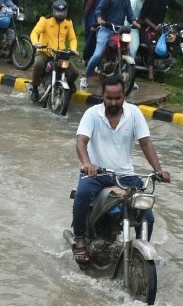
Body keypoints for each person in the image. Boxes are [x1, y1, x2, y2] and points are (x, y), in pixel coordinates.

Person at [70, 76, 170, 263]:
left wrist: (158, 170)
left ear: (124, 95)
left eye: (118, 98)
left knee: (147, 215)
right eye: (110, 98)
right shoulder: (92, 114)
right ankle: (80, 238)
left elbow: (146, 143)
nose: (114, 102)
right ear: (102, 96)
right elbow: (81, 142)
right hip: (97, 174)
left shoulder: (134, 113)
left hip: (126, 175)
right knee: (82, 195)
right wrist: (87, 163)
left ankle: (141, 253)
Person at [82, 0, 134, 90]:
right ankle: (86, 77)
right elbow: (98, 10)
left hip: (119, 30)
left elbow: (130, 15)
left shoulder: (126, 0)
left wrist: (135, 22)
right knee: (97, 54)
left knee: (127, 49)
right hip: (105, 29)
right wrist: (99, 19)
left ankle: (131, 78)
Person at [136, 0, 183, 81]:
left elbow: (179, 7)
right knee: (151, 47)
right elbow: (143, 17)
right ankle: (150, 73)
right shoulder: (150, 0)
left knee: (171, 39)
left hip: (160, 27)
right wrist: (154, 26)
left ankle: (166, 60)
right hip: (146, 27)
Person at [29, 0, 78, 102]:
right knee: (38, 64)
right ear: (53, 11)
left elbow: (72, 38)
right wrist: (35, 42)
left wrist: (73, 48)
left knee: (75, 72)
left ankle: (69, 83)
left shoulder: (68, 22)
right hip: (45, 51)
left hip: (60, 53)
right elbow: (35, 32)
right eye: (58, 11)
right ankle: (35, 88)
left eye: (62, 12)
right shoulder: (45, 20)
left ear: (66, 12)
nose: (60, 14)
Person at [81, 0, 106, 69]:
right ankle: (88, 62)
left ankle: (91, 63)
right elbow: (85, 8)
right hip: (88, 23)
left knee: (91, 44)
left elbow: (98, 11)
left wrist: (94, 24)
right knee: (88, 43)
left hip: (93, 25)